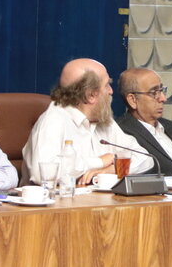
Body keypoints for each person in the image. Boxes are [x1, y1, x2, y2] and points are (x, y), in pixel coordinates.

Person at [22, 58, 152, 186]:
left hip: (99, 198)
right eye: (107, 85)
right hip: (59, 199)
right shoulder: (53, 120)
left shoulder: (104, 120)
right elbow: (42, 174)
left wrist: (112, 169)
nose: (111, 91)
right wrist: (100, 162)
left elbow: (146, 159)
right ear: (91, 95)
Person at [115, 68, 172, 175]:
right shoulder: (121, 132)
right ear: (133, 100)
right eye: (154, 92)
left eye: (162, 90)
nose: (163, 98)